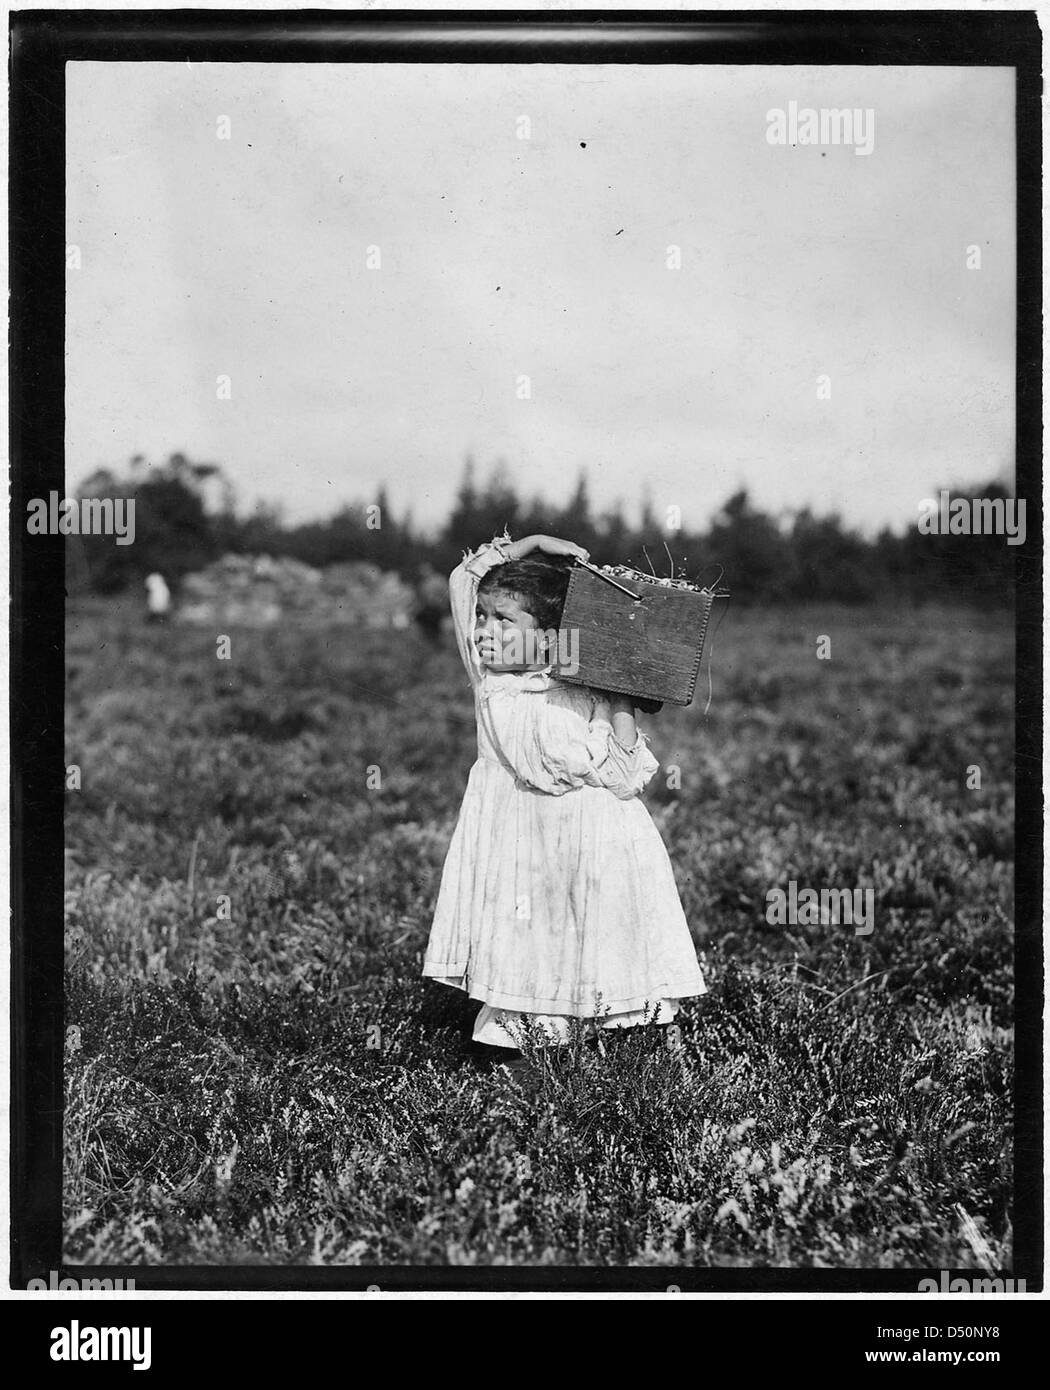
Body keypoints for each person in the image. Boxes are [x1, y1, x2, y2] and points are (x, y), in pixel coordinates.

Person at [421, 532, 706, 1056]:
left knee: (601, 940)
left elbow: (624, 779)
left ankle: (627, 1047)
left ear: (551, 638)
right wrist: (529, 545)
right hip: (521, 845)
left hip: (598, 845)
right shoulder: (491, 680)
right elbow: (463, 581)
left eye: (505, 621)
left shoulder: (585, 690)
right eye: (483, 617)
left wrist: (621, 693)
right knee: (530, 945)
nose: (485, 631)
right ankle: (522, 1051)